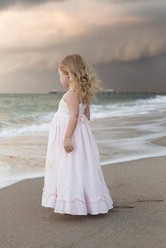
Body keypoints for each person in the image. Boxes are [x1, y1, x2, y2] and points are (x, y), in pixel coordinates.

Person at [41, 54, 114, 215]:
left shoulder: (70, 95)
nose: (59, 78)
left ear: (68, 75)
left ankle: (69, 203)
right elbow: (86, 116)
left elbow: (74, 116)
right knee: (80, 167)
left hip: (70, 134)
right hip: (80, 135)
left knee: (68, 167)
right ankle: (84, 201)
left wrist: (67, 137)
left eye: (60, 75)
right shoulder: (82, 93)